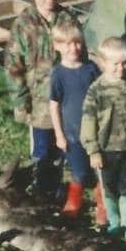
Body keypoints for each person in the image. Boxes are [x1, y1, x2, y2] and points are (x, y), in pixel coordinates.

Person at [5, 0, 81, 201]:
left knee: (64, 147)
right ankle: (39, 193)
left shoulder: (68, 18)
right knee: (41, 150)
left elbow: (81, 54)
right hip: (38, 101)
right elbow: (13, 65)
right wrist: (20, 101)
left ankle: (58, 189)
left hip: (66, 100)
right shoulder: (24, 23)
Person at [80, 37, 126, 241]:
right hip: (105, 151)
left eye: (124, 63)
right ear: (103, 63)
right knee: (109, 190)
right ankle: (114, 224)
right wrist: (93, 151)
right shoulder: (96, 90)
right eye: (116, 64)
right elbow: (88, 121)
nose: (121, 68)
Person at [48, 22, 103, 222]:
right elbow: (54, 106)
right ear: (57, 46)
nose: (74, 48)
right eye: (68, 44)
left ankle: (103, 206)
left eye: (77, 43)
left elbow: (102, 94)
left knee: (100, 170)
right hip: (72, 133)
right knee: (78, 171)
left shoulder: (91, 69)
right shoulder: (58, 74)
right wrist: (59, 135)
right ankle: (74, 203)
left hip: (96, 131)